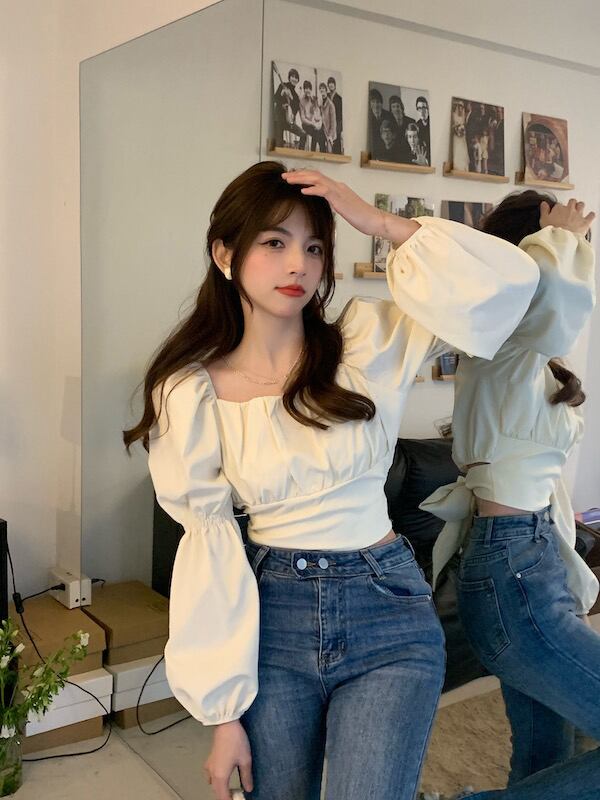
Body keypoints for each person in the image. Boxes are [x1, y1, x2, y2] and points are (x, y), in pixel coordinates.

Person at [123, 162, 541, 800]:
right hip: (272, 621)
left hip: (387, 611)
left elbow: (509, 285)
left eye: (314, 247)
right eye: (275, 242)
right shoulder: (189, 393)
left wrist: (379, 222)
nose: (298, 264)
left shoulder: (367, 342)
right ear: (224, 254)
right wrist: (223, 716)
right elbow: (208, 551)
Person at [422, 192, 600, 800]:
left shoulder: (523, 357)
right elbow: (551, 299)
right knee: (549, 747)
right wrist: (562, 239)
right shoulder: (502, 343)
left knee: (547, 752)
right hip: (515, 570)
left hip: (527, 561)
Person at [272, 67, 306, 149]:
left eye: (296, 77)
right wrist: (281, 94)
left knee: (303, 134)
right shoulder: (283, 85)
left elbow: (295, 110)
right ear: (289, 77)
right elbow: (275, 98)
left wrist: (291, 97)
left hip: (288, 121)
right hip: (279, 119)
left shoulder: (296, 96)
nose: (294, 79)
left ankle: (300, 153)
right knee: (279, 145)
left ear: (298, 80)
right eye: (292, 76)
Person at [299, 81, 326, 152]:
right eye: (306, 88)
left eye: (309, 88)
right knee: (316, 134)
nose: (308, 90)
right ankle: (313, 151)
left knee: (322, 135)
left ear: (311, 90)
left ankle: (323, 154)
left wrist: (316, 102)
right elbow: (303, 119)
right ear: (304, 89)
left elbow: (317, 112)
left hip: (314, 123)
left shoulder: (313, 99)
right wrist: (312, 124)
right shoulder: (301, 101)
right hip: (306, 124)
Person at [368, 88, 393, 155]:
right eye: (373, 102)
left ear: (381, 103)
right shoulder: (367, 116)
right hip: (373, 151)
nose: (376, 105)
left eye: (378, 102)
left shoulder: (389, 115)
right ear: (370, 103)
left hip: (388, 149)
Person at [318, 81, 336, 153]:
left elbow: (333, 123)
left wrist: (330, 136)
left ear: (326, 90)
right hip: (322, 130)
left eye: (323, 89)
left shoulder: (331, 104)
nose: (322, 91)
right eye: (320, 90)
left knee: (329, 152)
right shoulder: (320, 103)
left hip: (330, 131)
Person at [327, 76, 343, 153]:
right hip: (328, 123)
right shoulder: (326, 96)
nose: (331, 85)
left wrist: (338, 128)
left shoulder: (339, 98)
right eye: (329, 83)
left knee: (336, 142)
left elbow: (340, 115)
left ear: (335, 85)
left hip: (337, 123)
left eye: (332, 83)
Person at [415, 95, 431, 164]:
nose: (422, 111)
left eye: (424, 108)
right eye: (419, 108)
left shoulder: (433, 122)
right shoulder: (417, 125)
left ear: (428, 108)